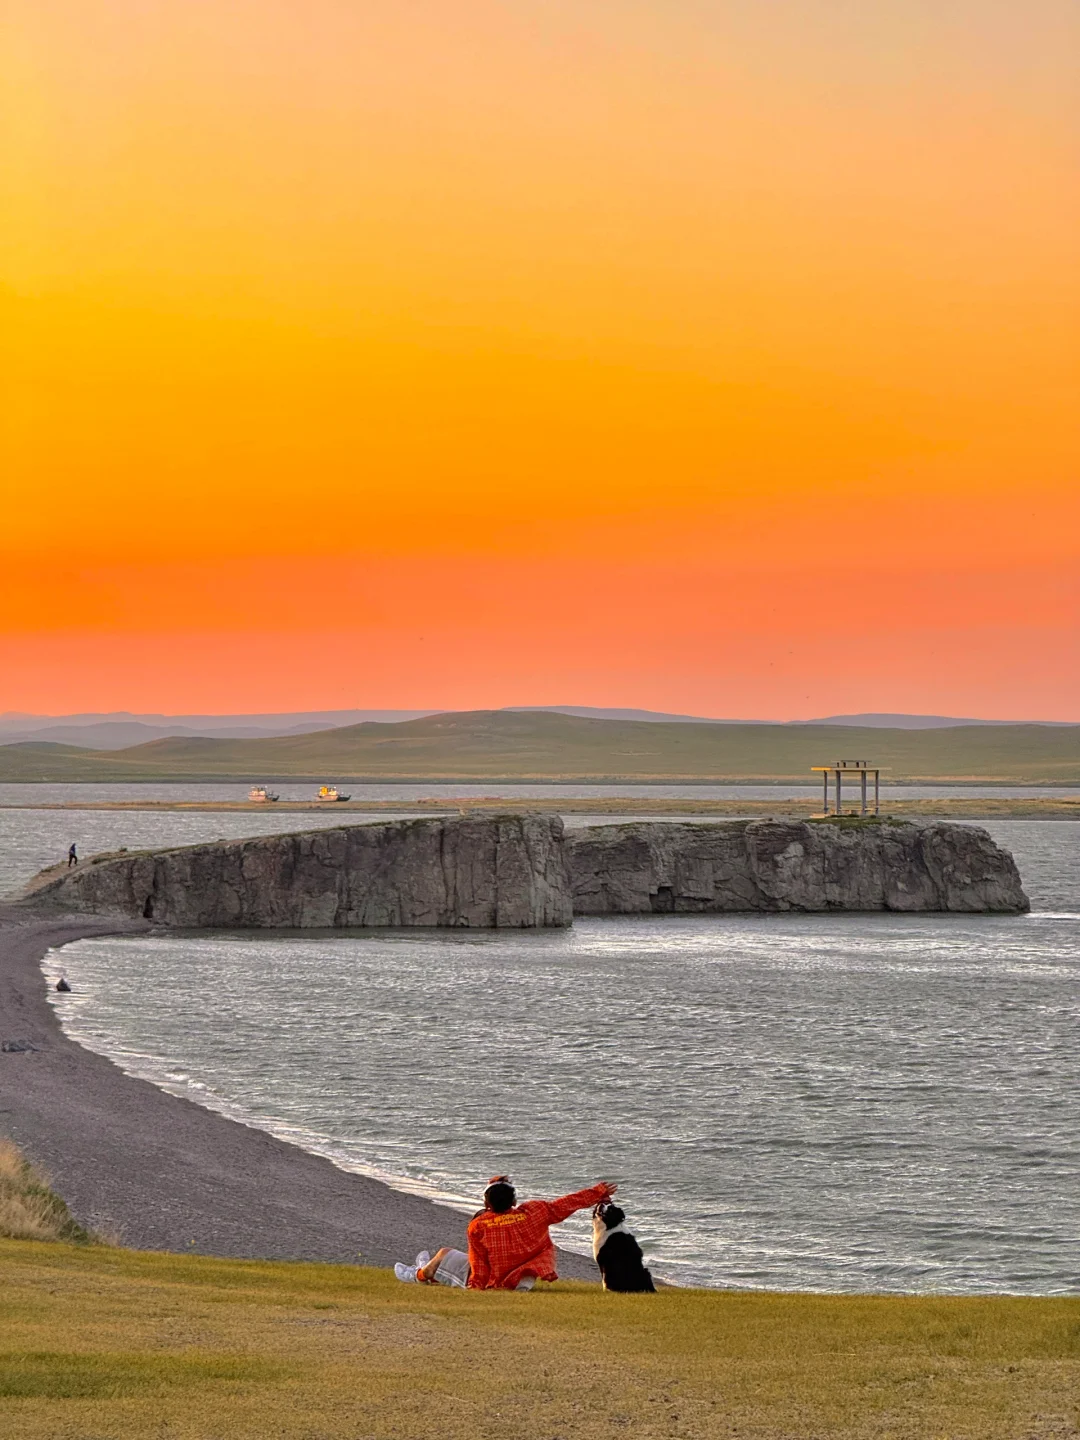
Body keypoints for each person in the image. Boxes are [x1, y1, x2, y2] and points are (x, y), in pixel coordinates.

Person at [467, 1175, 616, 1291]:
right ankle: (522, 1280)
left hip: (495, 1277)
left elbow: (478, 1262)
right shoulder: (534, 1212)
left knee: (444, 1254)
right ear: (513, 1202)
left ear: (487, 1203)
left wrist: (476, 1287)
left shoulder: (478, 1226)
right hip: (527, 1269)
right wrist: (598, 1192)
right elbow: (568, 1203)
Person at [394, 1247, 470, 1288]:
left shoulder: (476, 1225)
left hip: (474, 1279)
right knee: (444, 1253)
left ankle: (419, 1275)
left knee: (443, 1255)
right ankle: (427, 1268)